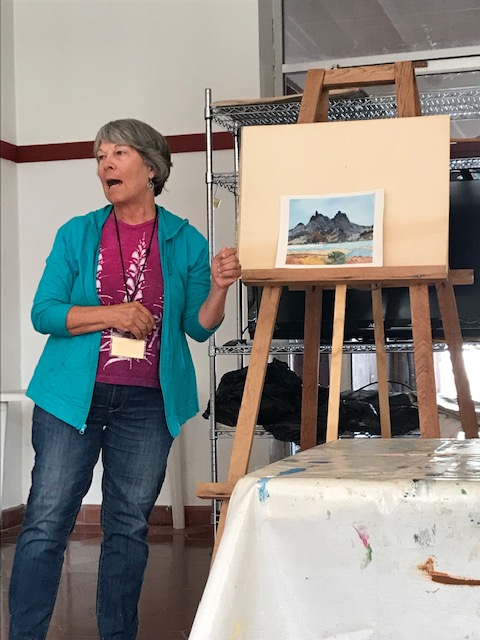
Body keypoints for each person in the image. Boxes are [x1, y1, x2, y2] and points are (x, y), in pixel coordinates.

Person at [8, 118, 241, 640]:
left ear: (151, 167)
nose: (106, 165)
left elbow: (198, 327)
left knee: (129, 528)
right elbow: (45, 312)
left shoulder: (183, 238)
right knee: (46, 522)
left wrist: (220, 288)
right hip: (70, 399)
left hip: (147, 404)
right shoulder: (77, 233)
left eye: (118, 153)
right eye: (100, 156)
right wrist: (112, 314)